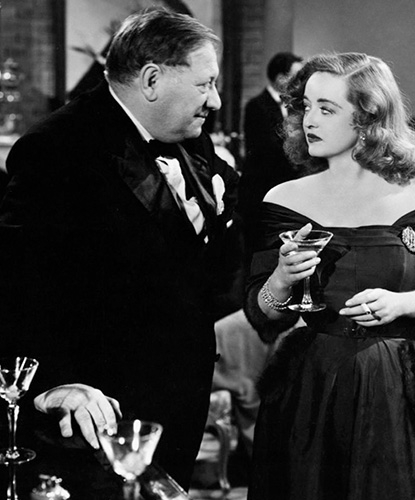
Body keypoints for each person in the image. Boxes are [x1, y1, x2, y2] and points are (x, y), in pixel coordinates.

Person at [0, 7, 239, 491]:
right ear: (151, 80)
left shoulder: (190, 136)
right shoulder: (56, 149)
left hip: (179, 398)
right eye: (205, 84)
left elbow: (203, 255)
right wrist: (52, 384)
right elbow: (16, 282)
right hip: (97, 411)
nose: (214, 100)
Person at [244, 52, 415, 499]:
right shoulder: (284, 199)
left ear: (368, 117)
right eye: (306, 106)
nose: (309, 120)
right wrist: (281, 280)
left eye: (327, 109)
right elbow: (262, 311)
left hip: (394, 388)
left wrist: (402, 303)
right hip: (310, 388)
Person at [237, 51, 303, 269]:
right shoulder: (257, 106)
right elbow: (267, 149)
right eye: (296, 76)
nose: (300, 82)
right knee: (258, 254)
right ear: (281, 78)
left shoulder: (295, 107)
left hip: (283, 190)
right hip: (261, 192)